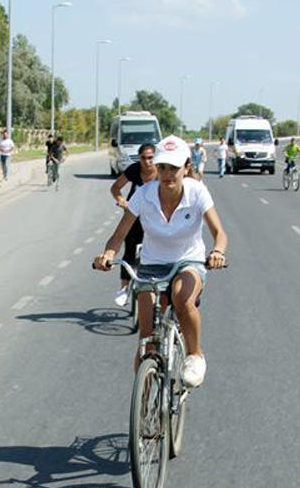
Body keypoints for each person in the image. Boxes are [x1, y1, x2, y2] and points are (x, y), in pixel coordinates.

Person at [93, 135, 228, 388]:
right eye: (162, 167)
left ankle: (195, 355)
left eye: (174, 168)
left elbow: (219, 233)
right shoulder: (144, 195)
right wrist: (108, 254)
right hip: (152, 265)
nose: (167, 174)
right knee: (147, 339)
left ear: (186, 167)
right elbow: (119, 234)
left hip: (189, 261)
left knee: (181, 297)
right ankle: (145, 400)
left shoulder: (197, 192)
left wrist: (217, 252)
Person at [107, 142, 156, 306]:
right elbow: (115, 187)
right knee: (129, 249)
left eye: (151, 158)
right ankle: (124, 288)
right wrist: (121, 200)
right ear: (139, 158)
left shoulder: (162, 172)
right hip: (133, 216)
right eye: (143, 158)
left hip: (154, 219)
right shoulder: (134, 170)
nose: (147, 162)